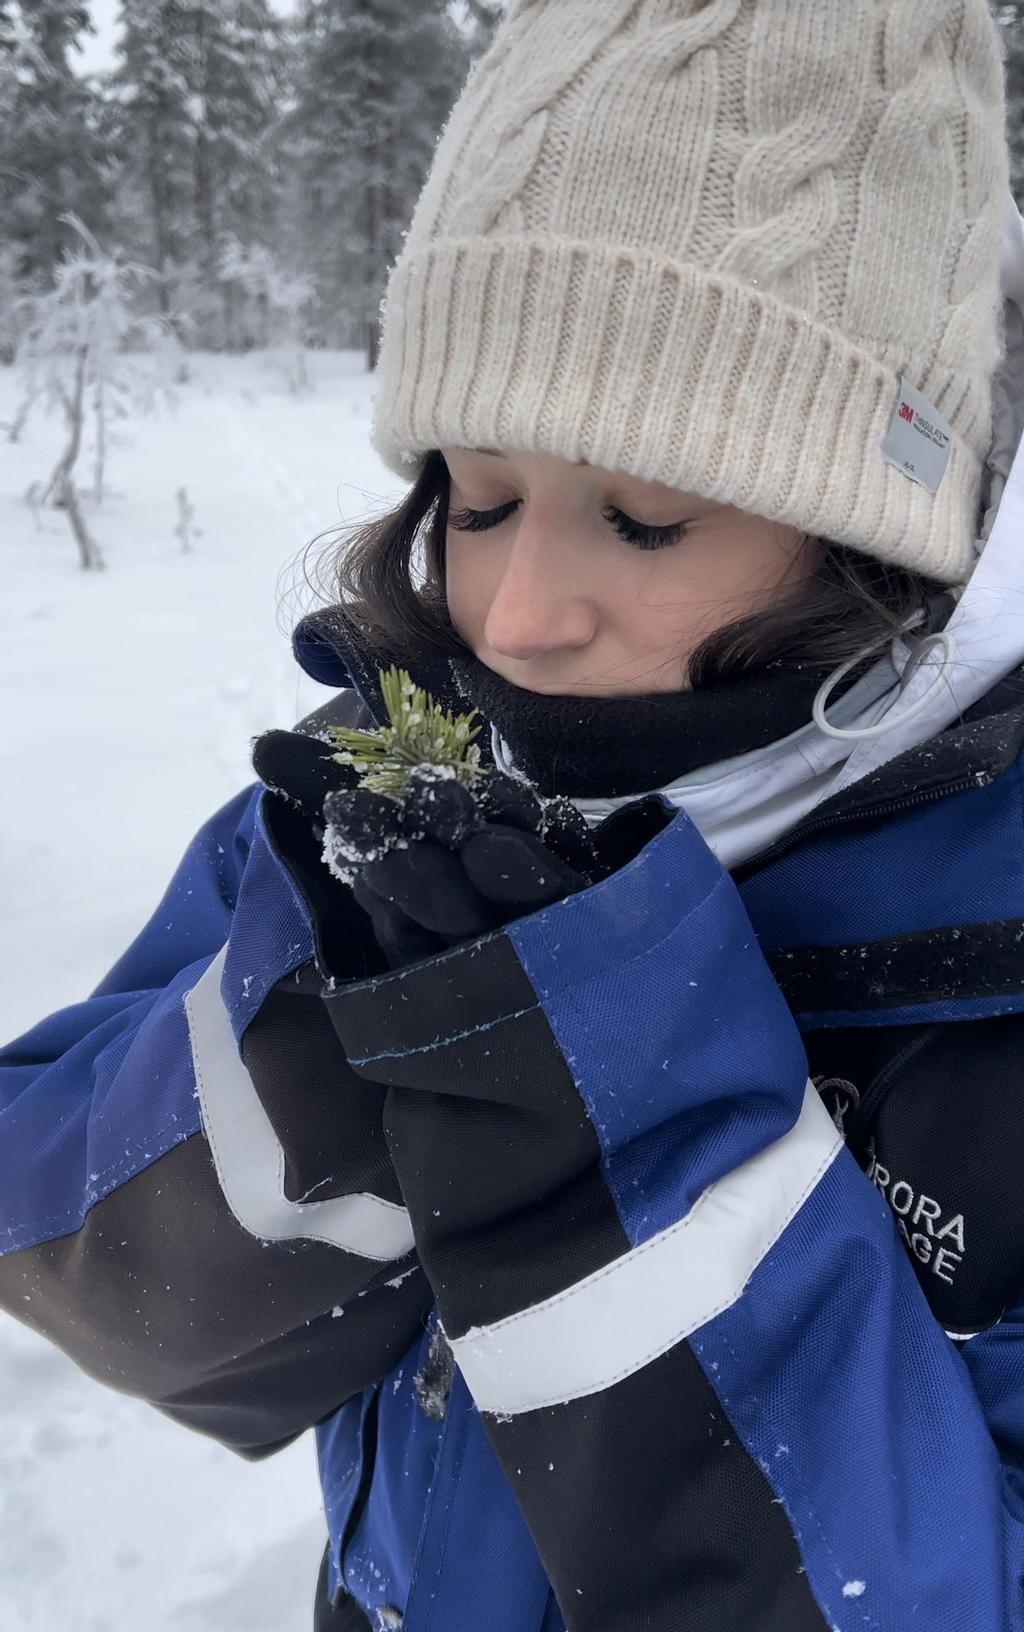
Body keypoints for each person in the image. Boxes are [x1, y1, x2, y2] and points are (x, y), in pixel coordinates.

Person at [2, 2, 1024, 1627]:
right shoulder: (406, 773)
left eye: (643, 516)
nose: (519, 613)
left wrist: (611, 1119)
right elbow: (66, 1230)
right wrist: (342, 1028)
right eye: (478, 500)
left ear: (877, 534)